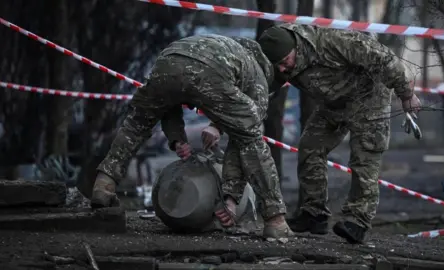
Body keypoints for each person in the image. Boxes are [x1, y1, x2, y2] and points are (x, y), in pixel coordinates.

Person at [89, 34, 293, 239]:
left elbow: (170, 99)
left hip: (168, 59)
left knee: (137, 123)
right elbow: (243, 140)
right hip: (210, 71)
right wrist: (231, 195)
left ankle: (104, 183)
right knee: (252, 142)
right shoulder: (258, 77)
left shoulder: (229, 48)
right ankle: (275, 220)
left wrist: (177, 138)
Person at [257, 24, 422, 244]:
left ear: (295, 47)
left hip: (368, 97)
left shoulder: (332, 42)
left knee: (365, 156)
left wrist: (406, 94)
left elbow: (384, 58)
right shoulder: (280, 62)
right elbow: (259, 89)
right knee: (310, 146)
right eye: (278, 66)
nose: (283, 70)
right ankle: (314, 214)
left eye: (285, 61)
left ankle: (357, 221)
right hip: (334, 102)